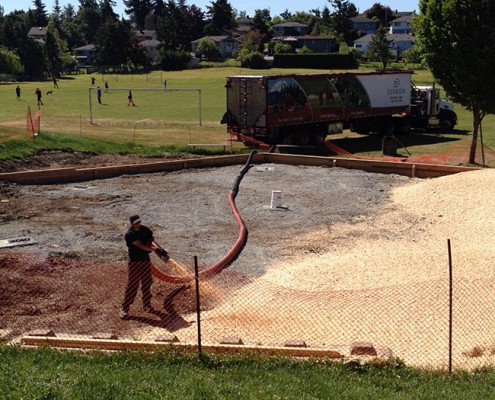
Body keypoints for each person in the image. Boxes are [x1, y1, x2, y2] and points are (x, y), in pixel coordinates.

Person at [121, 215, 157, 319]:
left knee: (147, 282)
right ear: (131, 223)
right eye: (136, 223)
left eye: (139, 222)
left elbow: (151, 236)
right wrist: (152, 249)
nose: (138, 224)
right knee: (133, 285)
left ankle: (147, 305)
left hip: (145, 261)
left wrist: (151, 242)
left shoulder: (144, 229)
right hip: (135, 263)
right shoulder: (129, 234)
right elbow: (140, 245)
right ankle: (124, 308)